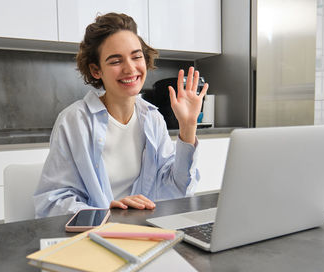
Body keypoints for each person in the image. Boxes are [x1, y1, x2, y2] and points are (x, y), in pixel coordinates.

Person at [33, 12, 208, 218]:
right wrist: (105, 212)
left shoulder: (152, 118)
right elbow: (52, 203)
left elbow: (177, 190)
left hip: (143, 232)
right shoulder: (74, 122)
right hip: (94, 237)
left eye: (136, 56)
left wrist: (187, 128)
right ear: (96, 70)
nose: (130, 68)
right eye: (116, 61)